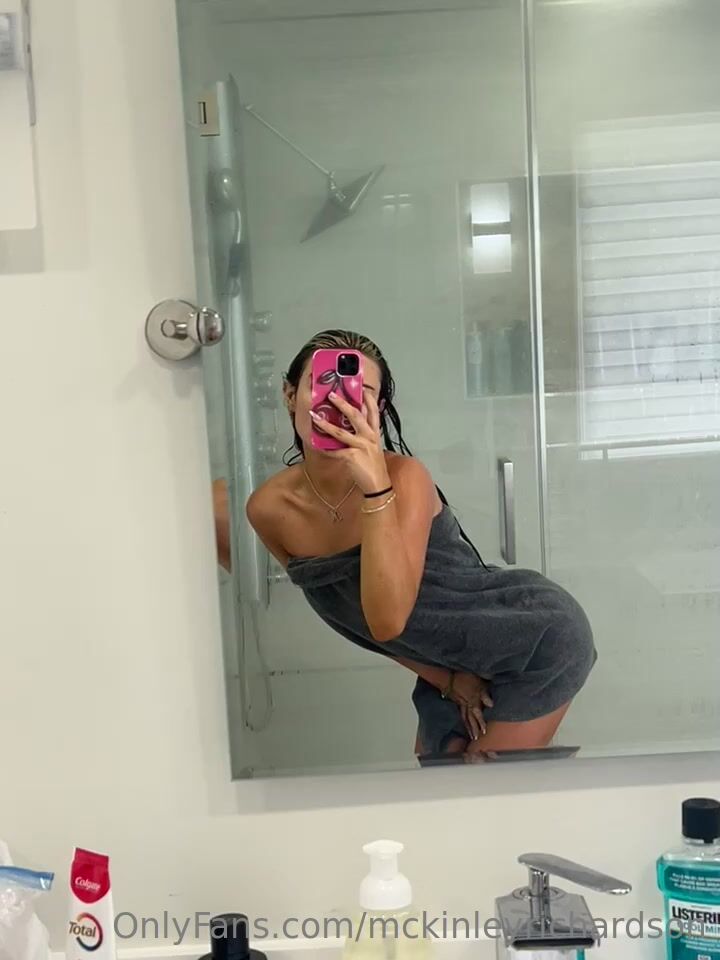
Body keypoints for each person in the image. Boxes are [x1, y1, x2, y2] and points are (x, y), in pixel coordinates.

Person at [239, 330, 596, 759]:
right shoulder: (268, 510)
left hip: (530, 637)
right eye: (321, 385)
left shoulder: (405, 478)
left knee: (478, 790)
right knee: (437, 786)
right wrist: (447, 679)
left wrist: (375, 488)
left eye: (358, 392)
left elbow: (388, 620)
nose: (337, 403)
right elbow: (354, 622)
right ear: (289, 395)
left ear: (378, 409)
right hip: (447, 665)